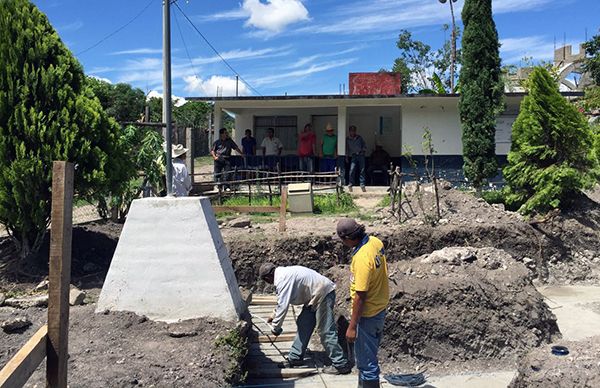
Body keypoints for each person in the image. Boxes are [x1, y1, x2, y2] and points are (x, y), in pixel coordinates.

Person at [259, 263, 352, 375]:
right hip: (314, 295)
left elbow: (283, 306)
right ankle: (295, 357)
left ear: (268, 277)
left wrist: (276, 328)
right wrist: (273, 315)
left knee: (325, 330)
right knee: (304, 323)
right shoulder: (283, 274)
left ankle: (341, 364)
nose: (268, 283)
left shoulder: (282, 279)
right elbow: (281, 301)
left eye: (266, 281)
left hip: (323, 293)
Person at [336, 218, 389, 388]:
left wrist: (352, 326)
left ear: (347, 238)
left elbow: (360, 295)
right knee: (369, 357)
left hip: (368, 314)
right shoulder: (375, 241)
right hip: (380, 308)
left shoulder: (361, 259)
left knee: (367, 364)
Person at [346, 125, 367, 192]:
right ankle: (350, 184)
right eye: (351, 131)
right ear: (349, 131)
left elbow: (364, 145)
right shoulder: (347, 139)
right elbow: (347, 149)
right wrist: (346, 156)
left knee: (362, 170)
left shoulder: (359, 138)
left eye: (354, 130)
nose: (353, 132)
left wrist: (363, 151)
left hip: (361, 155)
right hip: (353, 156)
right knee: (352, 170)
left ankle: (362, 184)